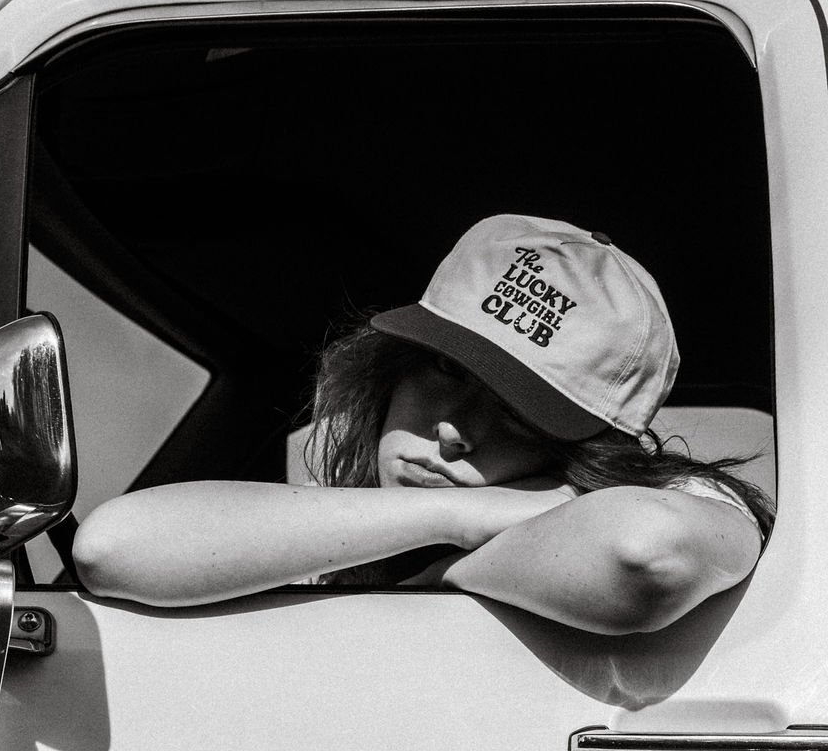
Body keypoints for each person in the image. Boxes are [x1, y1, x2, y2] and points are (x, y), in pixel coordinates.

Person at [73, 214, 773, 634]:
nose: (452, 432)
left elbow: (644, 551)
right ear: (392, 369)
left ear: (591, 450)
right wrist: (463, 513)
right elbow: (112, 547)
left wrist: (457, 561)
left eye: (519, 415)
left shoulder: (669, 500)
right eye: (446, 373)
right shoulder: (366, 534)